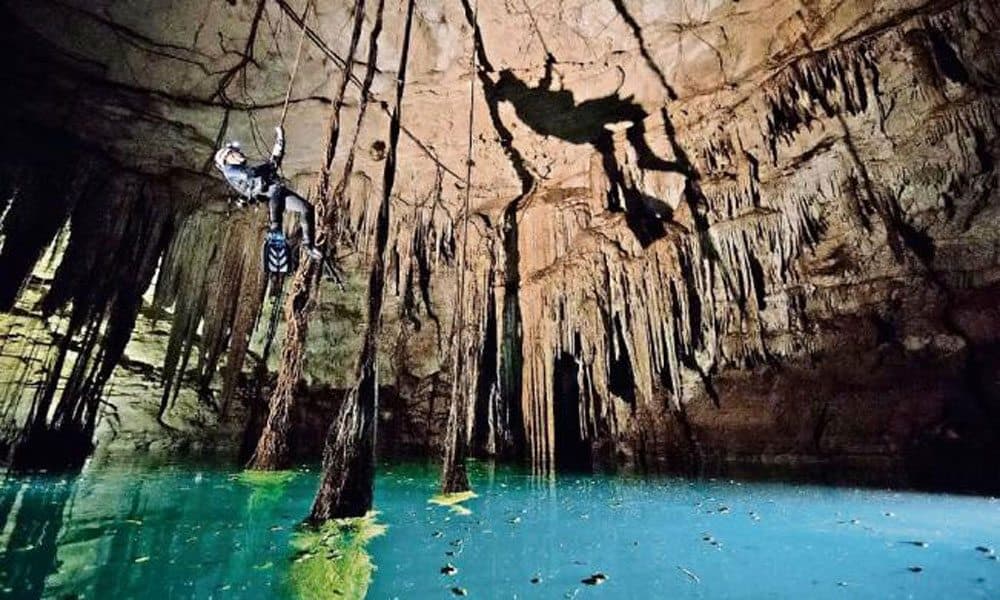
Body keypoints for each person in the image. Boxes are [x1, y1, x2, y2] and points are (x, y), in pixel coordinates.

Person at [213, 126, 323, 262]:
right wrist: (268, 167)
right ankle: (275, 228)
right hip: (268, 194)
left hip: (277, 193)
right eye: (234, 153)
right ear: (227, 158)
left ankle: (308, 244)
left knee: (306, 208)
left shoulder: (241, 168)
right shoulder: (229, 170)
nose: (239, 153)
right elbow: (250, 174)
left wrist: (280, 138)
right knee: (276, 190)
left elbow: (274, 161)